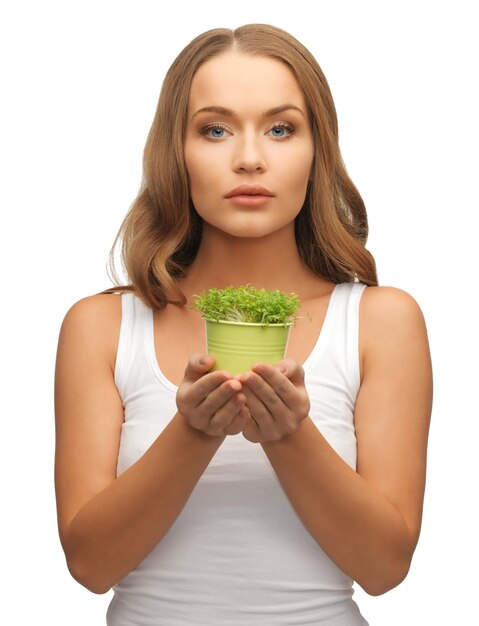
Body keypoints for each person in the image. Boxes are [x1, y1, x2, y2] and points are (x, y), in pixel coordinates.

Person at [54, 23, 433, 626]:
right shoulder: (100, 327)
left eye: (281, 128)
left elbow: (385, 568)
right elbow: (90, 565)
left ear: (318, 150)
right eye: (215, 129)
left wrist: (289, 436)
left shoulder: (380, 322)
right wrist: (193, 433)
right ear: (174, 151)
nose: (250, 157)